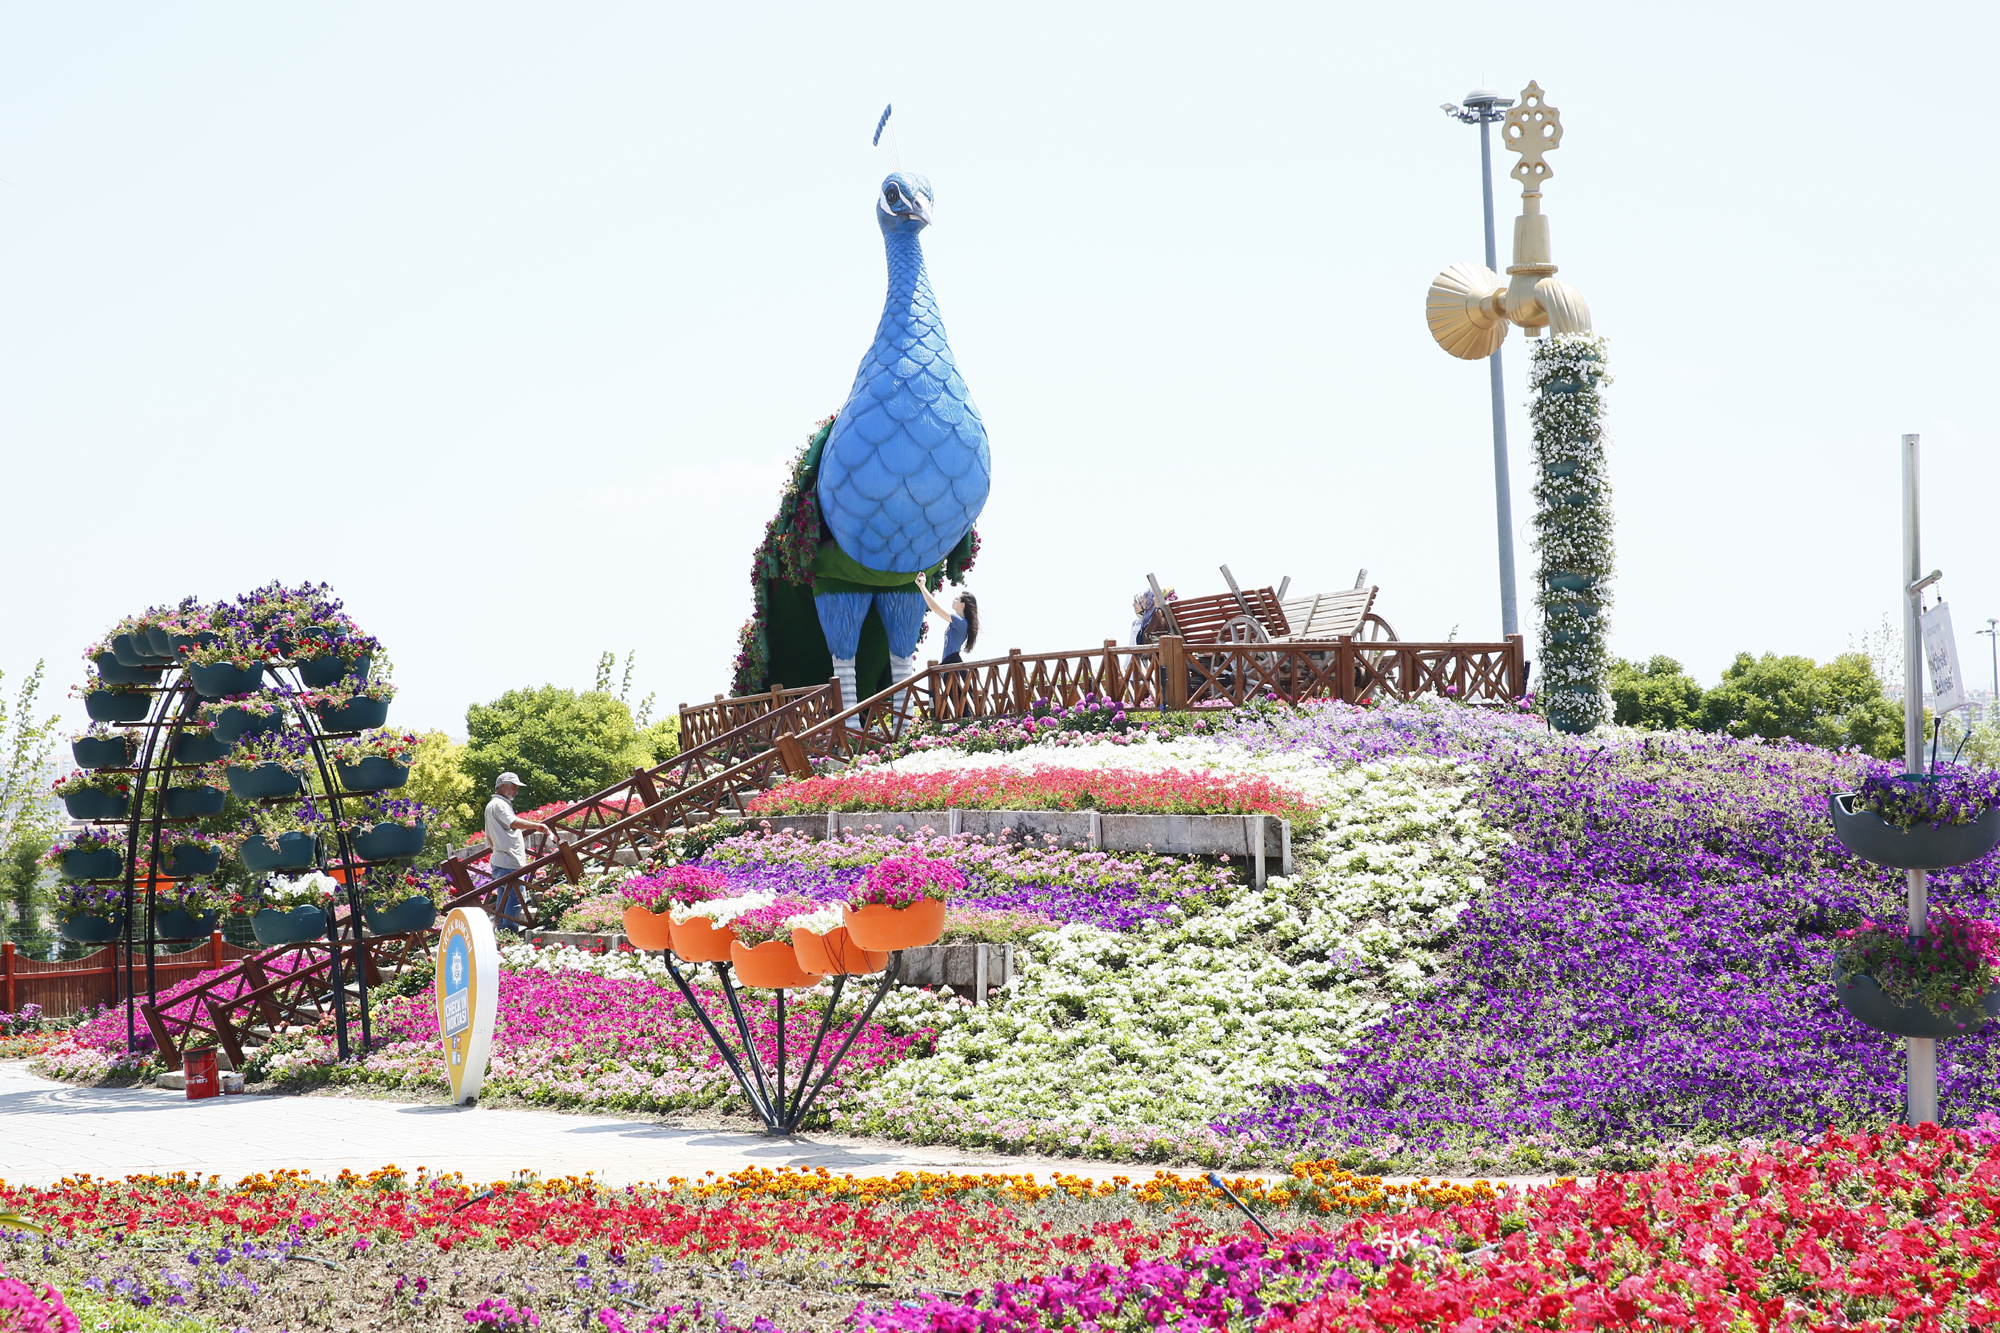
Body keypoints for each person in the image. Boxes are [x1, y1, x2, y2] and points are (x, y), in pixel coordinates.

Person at [484, 772, 552, 930]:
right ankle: (509, 932)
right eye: (514, 787)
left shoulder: (492, 805)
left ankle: (502, 934)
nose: (516, 792)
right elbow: (513, 822)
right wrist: (536, 825)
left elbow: (489, 838)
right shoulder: (500, 805)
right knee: (516, 898)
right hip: (509, 861)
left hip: (501, 860)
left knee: (504, 900)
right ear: (503, 786)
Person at [920, 584, 978, 664]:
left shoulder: (960, 621)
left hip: (951, 661)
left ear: (962, 605)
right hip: (948, 662)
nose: (953, 600)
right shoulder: (957, 622)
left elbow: (934, 607)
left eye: (956, 599)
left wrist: (922, 586)